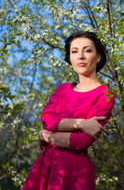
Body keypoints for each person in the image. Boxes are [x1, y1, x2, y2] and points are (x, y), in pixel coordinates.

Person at [22, 31, 115, 190]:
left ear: (98, 57)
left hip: (73, 169)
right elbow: (46, 118)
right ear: (70, 58)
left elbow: (81, 142)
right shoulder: (62, 90)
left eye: (87, 50)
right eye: (74, 51)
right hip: (46, 163)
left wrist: (45, 135)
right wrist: (81, 124)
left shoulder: (105, 95)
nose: (80, 56)